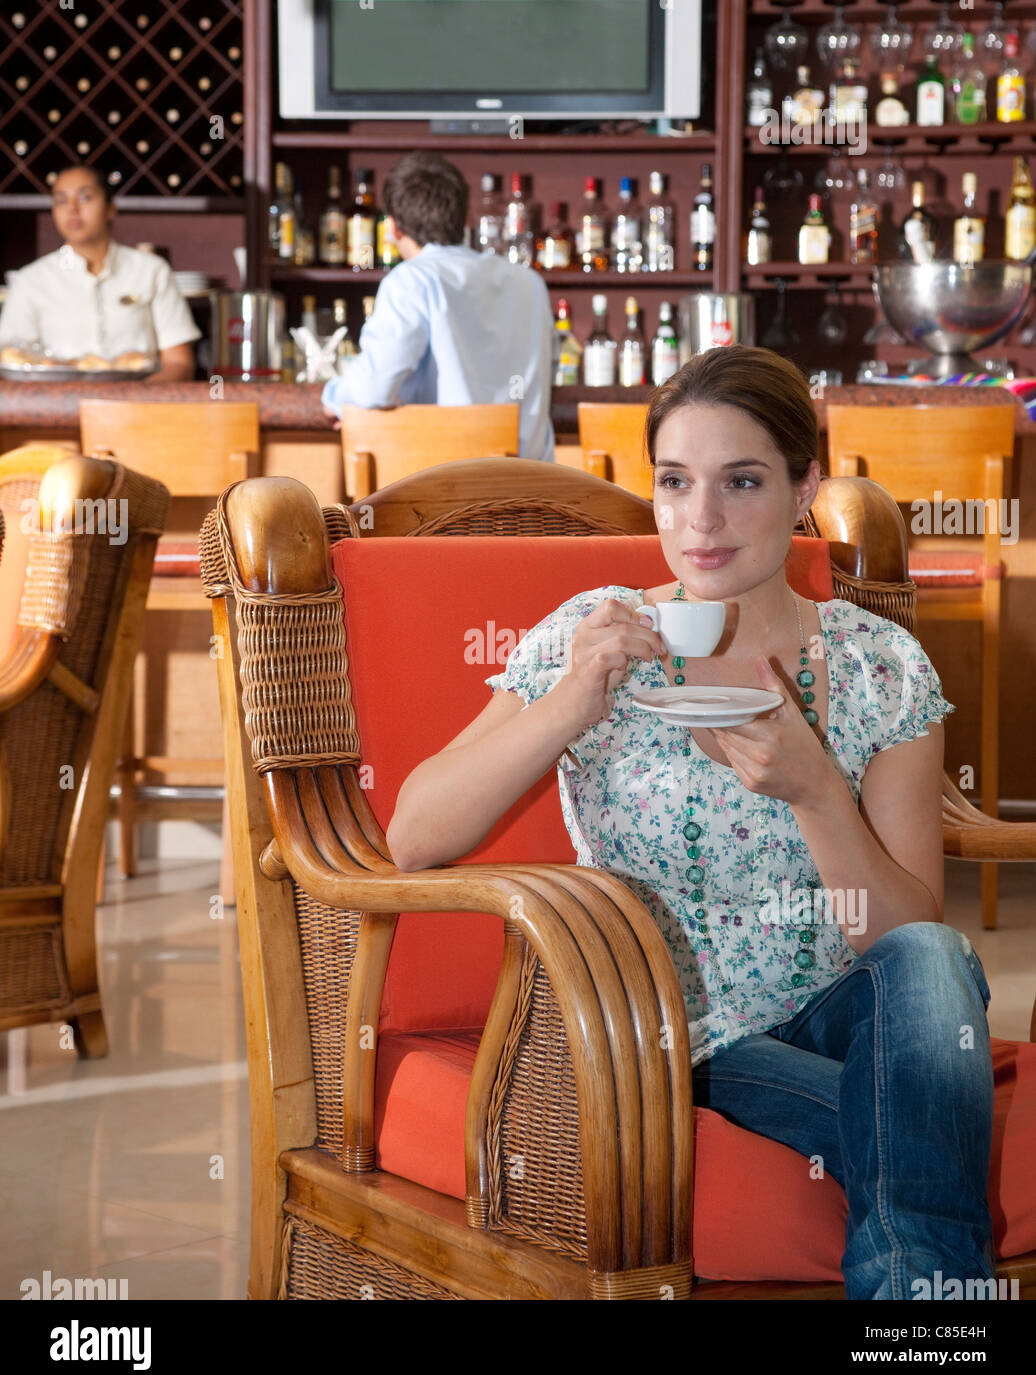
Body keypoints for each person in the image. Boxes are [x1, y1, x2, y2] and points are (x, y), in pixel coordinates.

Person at [386, 345, 996, 1301]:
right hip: (665, 1031)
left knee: (935, 964)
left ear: (806, 488)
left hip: (839, 1018)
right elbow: (413, 836)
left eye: (741, 482)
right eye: (675, 483)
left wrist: (816, 792)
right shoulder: (597, 632)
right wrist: (569, 704)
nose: (699, 521)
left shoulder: (881, 664)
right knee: (920, 1126)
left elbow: (906, 935)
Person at [320, 152, 554, 461]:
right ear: (465, 217)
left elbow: (373, 389)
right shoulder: (530, 282)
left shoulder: (413, 279)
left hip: (453, 497)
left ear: (393, 229)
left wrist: (333, 399)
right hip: (536, 494)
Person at [0, 165, 200, 381]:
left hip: (137, 405)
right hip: (54, 406)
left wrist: (129, 403)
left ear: (111, 208)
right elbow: (10, 360)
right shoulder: (32, 279)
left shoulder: (151, 270)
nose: (72, 209)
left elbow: (180, 363)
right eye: (61, 200)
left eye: (85, 198)